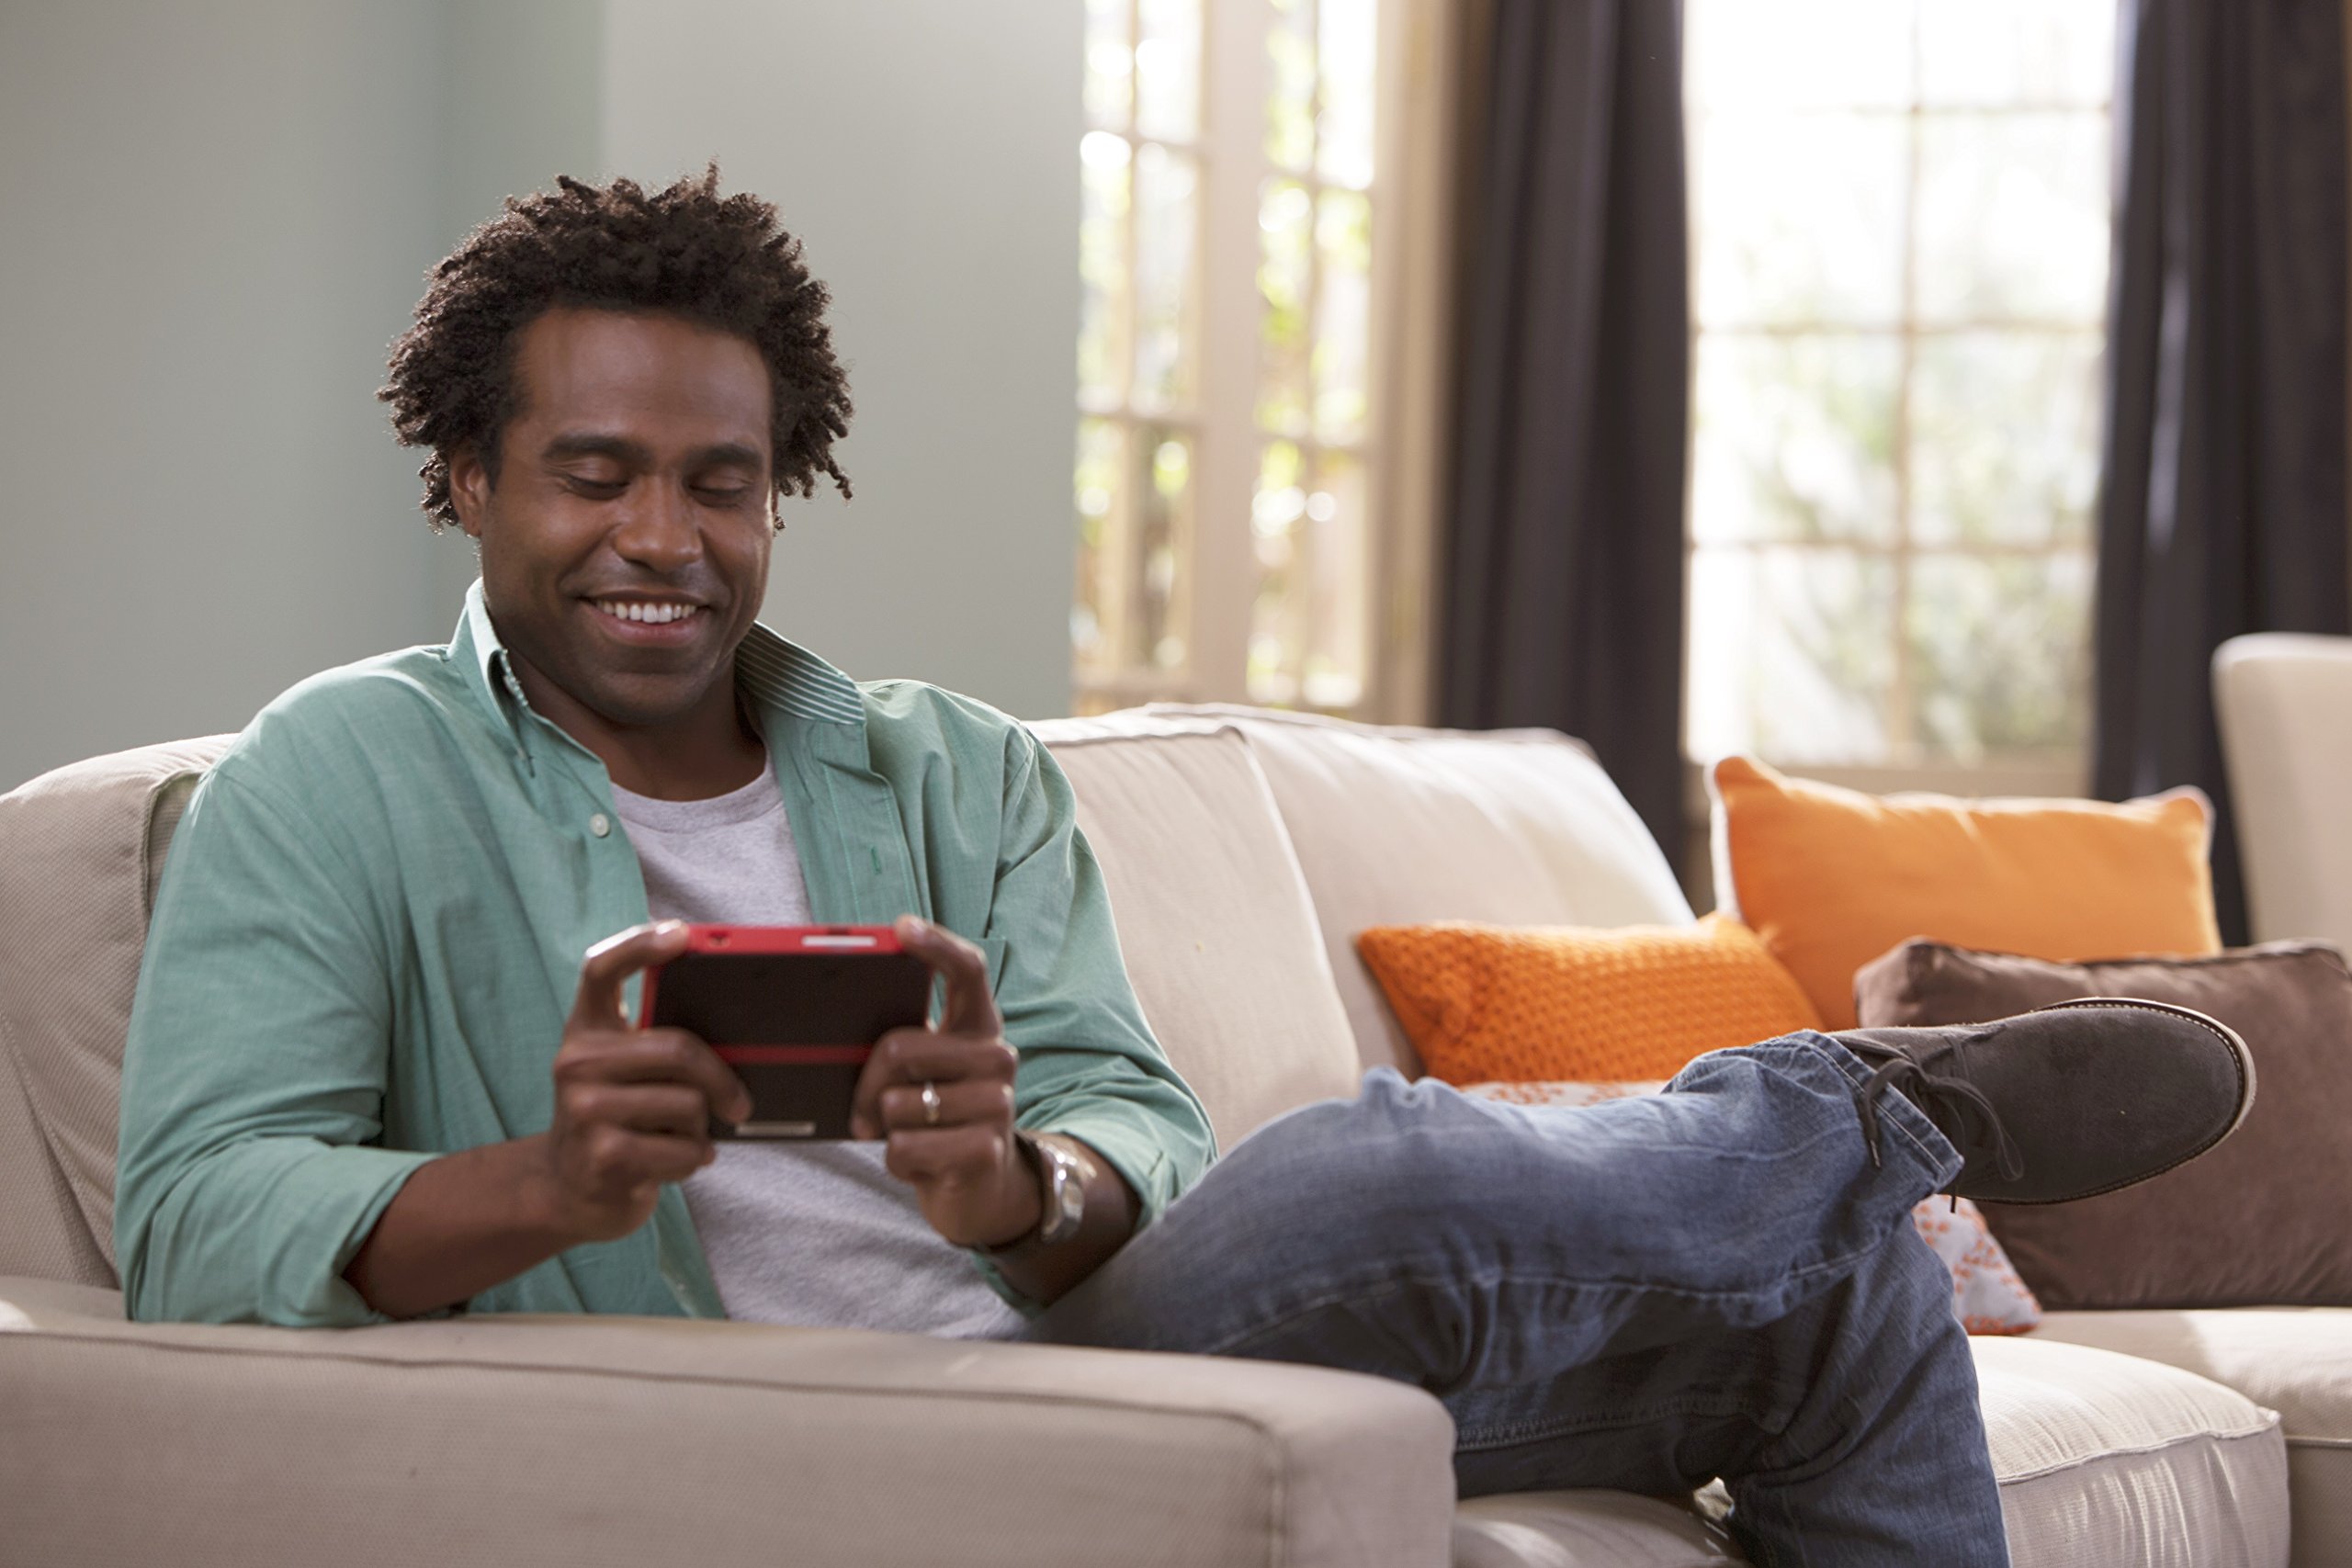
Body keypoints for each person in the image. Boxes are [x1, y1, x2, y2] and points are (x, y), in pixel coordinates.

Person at [115, 171, 2252, 1567]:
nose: (661, 537)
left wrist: (1008, 1184)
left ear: (781, 493)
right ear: (465, 476)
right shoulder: (333, 775)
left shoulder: (947, 768)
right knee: (1366, 1163)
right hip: (767, 1436)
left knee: (1836, 1295)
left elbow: (1124, 1117)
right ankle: (1848, 1109)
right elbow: (194, 1215)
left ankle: (1843, 1145)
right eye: (593, 474)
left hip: (1073, 1355)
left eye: (720, 482)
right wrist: (550, 1184)